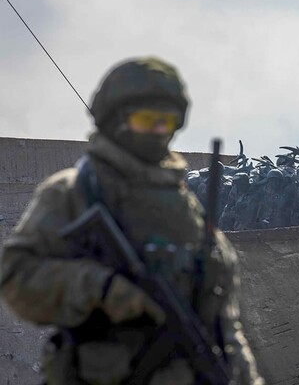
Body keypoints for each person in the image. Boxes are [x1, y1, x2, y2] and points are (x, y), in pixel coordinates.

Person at [0, 57, 264, 385]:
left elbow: (225, 325)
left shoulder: (187, 206)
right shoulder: (76, 191)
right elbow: (15, 275)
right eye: (145, 120)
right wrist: (102, 288)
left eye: (165, 122)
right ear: (115, 121)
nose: (157, 131)